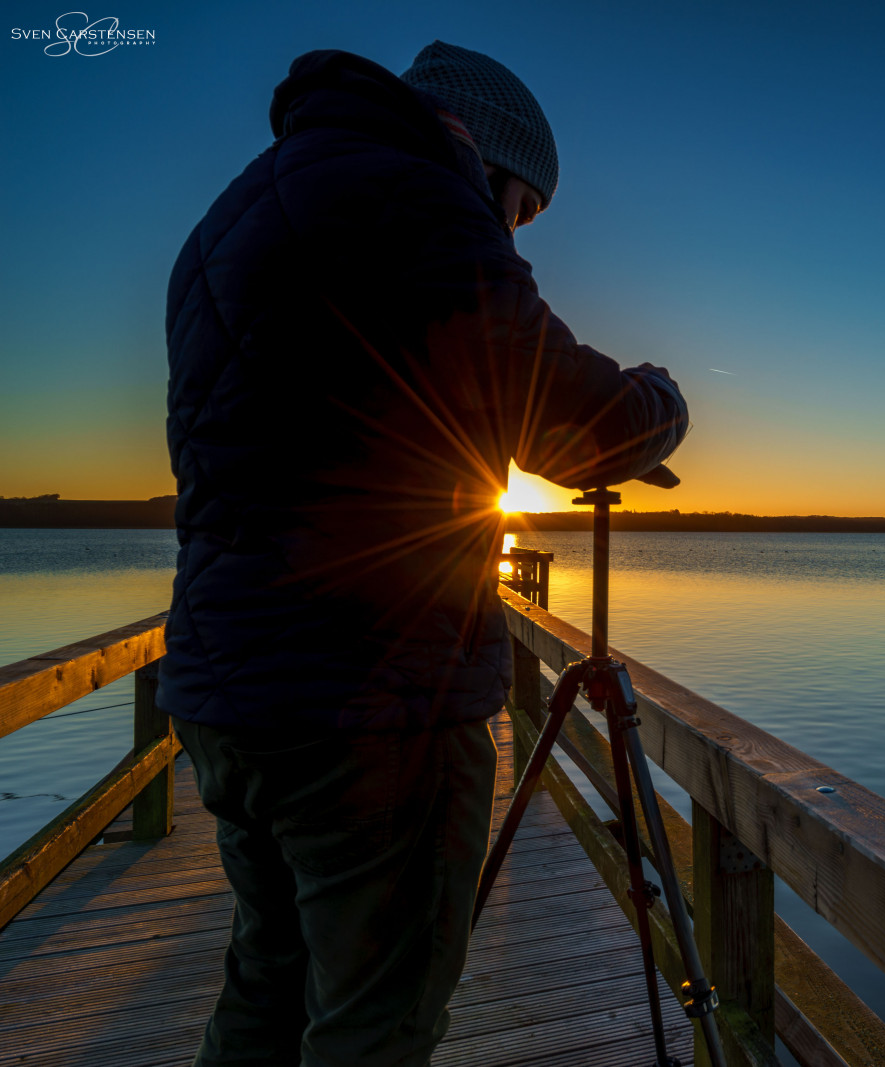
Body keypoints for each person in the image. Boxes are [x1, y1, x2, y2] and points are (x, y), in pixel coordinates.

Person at [160, 41, 687, 1066]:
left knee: (270, 982)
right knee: (379, 1019)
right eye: (524, 209)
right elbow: (585, 422)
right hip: (369, 698)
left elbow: (338, 406)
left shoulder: (239, 209)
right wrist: (661, 397)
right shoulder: (414, 199)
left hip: (230, 683)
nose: (514, 232)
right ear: (485, 158)